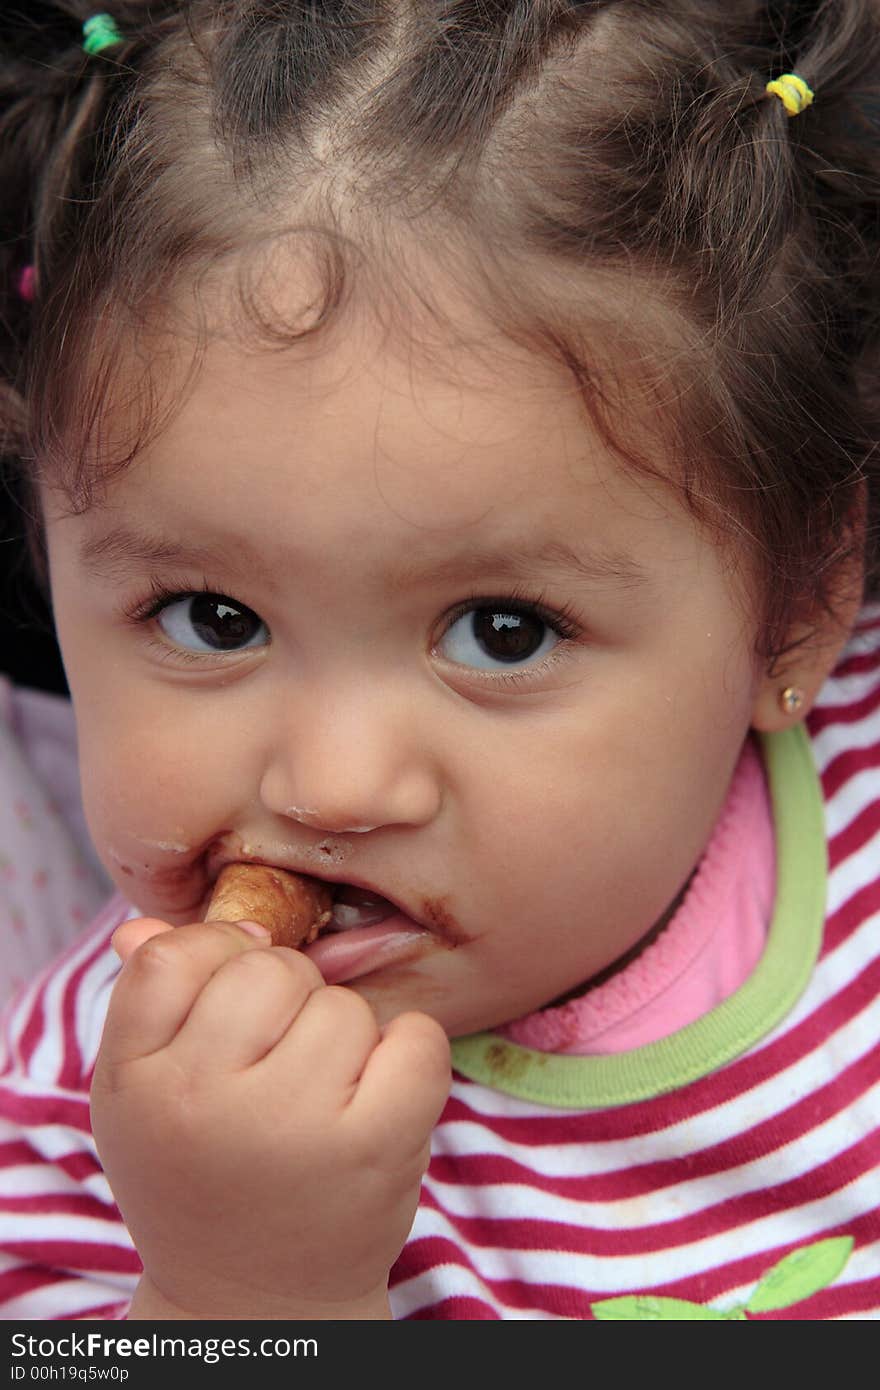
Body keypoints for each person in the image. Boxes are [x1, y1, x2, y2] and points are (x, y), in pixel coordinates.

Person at [0, 0, 877, 1322]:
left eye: (502, 631)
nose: (335, 787)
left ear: (799, 607)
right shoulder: (97, 1118)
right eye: (210, 617)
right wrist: (242, 1292)